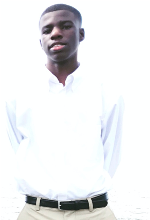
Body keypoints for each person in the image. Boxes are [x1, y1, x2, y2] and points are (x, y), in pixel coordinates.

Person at [6, 3, 124, 220]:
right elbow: (18, 145)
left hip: (94, 213)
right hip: (35, 213)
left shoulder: (106, 92)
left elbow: (111, 152)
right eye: (47, 30)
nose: (56, 33)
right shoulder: (18, 94)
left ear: (81, 34)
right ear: (39, 41)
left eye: (65, 26)